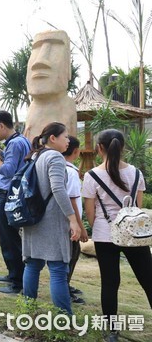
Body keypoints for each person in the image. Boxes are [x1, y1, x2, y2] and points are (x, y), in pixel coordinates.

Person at [82, 129, 152, 342]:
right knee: (148, 279)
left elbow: (90, 212)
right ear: (122, 148)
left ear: (99, 148)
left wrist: (102, 226)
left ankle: (111, 332)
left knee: (110, 283)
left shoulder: (91, 175)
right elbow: (137, 207)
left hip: (106, 235)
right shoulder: (136, 173)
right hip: (134, 234)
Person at [22, 122, 81, 315]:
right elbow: (58, 189)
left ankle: (28, 308)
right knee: (57, 270)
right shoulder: (55, 157)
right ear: (53, 138)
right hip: (52, 222)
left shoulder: (37, 156)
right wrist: (73, 220)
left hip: (34, 218)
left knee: (33, 264)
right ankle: (65, 317)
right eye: (65, 137)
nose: (68, 141)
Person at [0, 110, 31, 294]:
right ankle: (13, 273)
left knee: (8, 237)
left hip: (7, 193)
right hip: (15, 192)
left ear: (2, 126)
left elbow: (8, 170)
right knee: (11, 236)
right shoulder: (21, 140)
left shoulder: (14, 144)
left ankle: (16, 281)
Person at [62, 136, 88, 305]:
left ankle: (65, 286)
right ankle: (64, 290)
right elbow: (72, 201)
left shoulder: (58, 168)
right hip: (68, 222)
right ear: (76, 151)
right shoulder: (70, 172)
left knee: (69, 255)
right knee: (71, 255)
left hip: (61, 221)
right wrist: (80, 226)